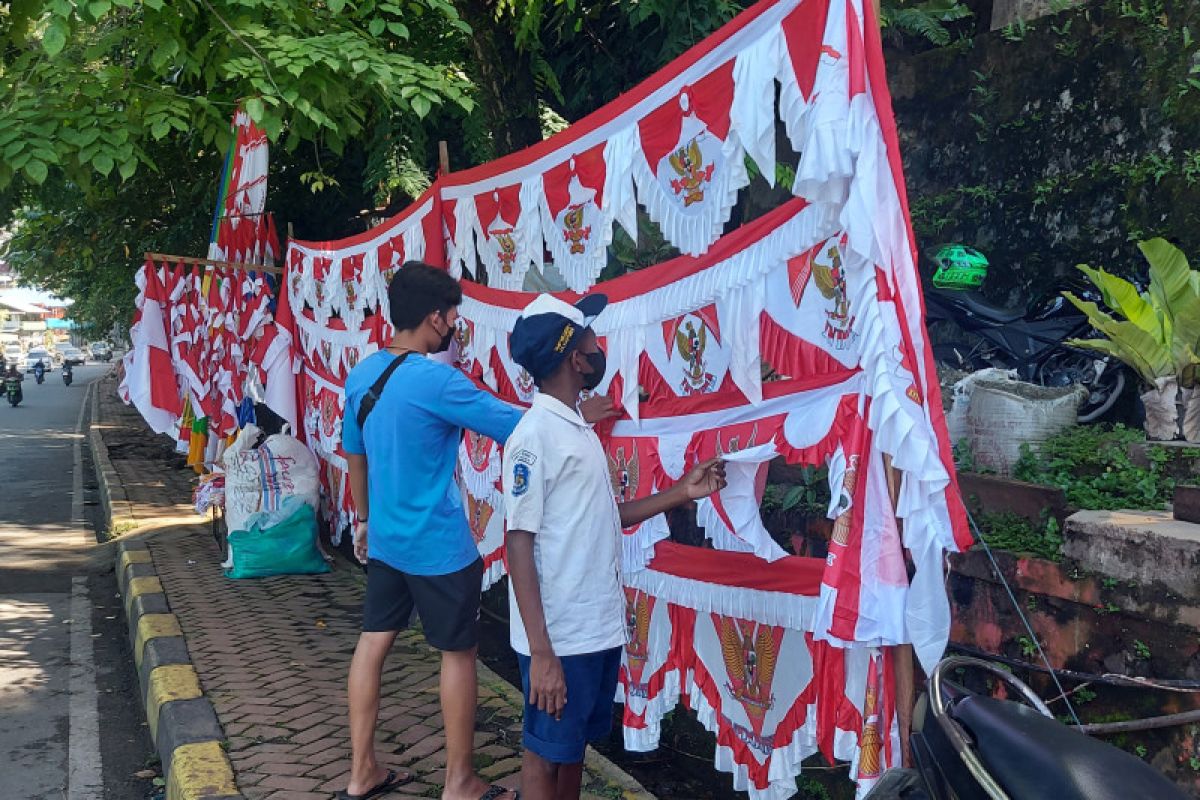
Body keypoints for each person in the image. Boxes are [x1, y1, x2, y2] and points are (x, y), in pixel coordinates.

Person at [339, 263, 613, 800]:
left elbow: (355, 454)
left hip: (387, 541)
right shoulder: (436, 380)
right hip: (440, 548)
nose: (454, 326)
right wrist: (585, 413)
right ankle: (459, 779)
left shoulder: (360, 374)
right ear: (436, 318)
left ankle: (360, 772)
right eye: (452, 316)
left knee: (372, 645)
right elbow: (522, 425)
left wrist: (364, 518)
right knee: (457, 655)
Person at [502, 294, 727, 800]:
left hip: (593, 628)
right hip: (559, 636)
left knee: (573, 747)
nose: (598, 347)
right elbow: (518, 544)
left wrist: (680, 493)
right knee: (543, 752)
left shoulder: (576, 428)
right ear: (574, 358)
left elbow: (604, 518)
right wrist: (542, 653)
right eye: (589, 338)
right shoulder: (533, 437)